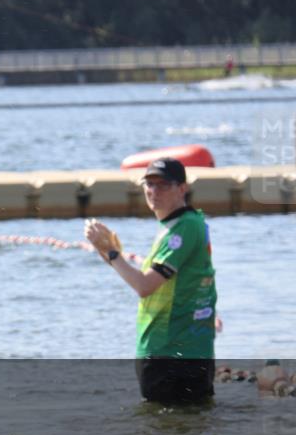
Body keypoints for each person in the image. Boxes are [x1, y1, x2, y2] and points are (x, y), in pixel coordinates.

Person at [85, 157, 217, 405]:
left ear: (182, 188)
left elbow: (144, 286)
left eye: (163, 185)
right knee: (180, 429)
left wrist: (113, 254)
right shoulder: (179, 224)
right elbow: (144, 281)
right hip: (177, 348)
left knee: (166, 431)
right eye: (150, 184)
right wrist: (107, 251)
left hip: (173, 352)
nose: (154, 191)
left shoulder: (183, 229)